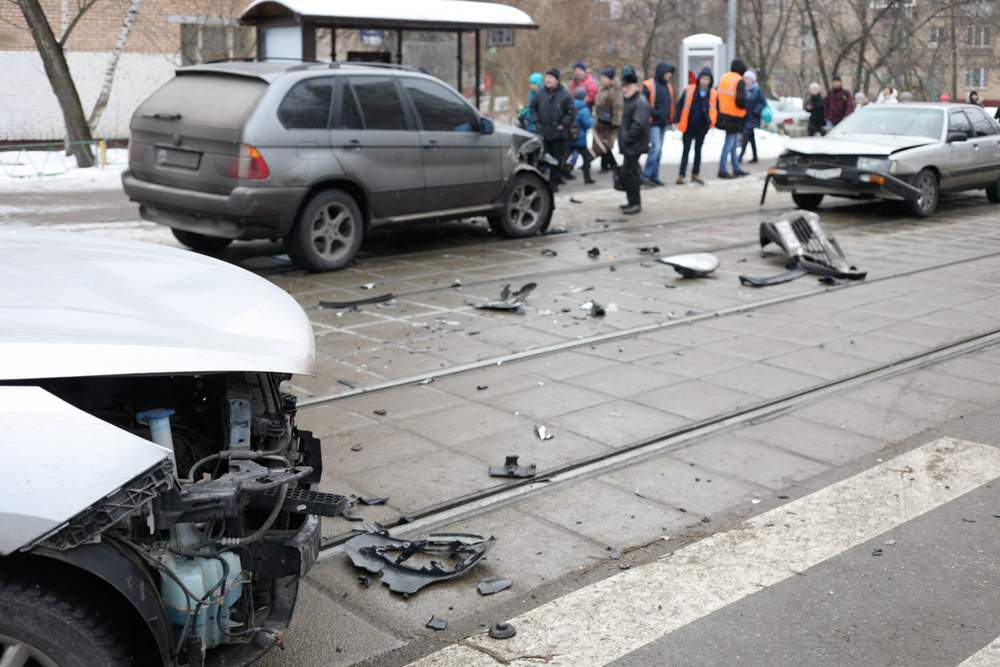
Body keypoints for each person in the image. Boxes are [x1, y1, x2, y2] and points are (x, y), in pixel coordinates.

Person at [530, 68, 575, 191]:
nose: (548, 80)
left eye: (551, 77)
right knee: (543, 158)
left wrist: (563, 125)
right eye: (546, 77)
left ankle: (554, 183)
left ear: (557, 80)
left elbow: (571, 112)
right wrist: (536, 122)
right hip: (543, 131)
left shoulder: (565, 94)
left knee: (557, 159)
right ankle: (543, 183)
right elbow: (532, 107)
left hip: (558, 133)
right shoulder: (540, 93)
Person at [675, 66, 717, 185]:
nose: (704, 81)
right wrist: (676, 119)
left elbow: (714, 109)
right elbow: (680, 105)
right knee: (686, 150)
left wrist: (710, 122)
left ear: (710, 81)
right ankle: (681, 175)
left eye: (707, 79)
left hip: (702, 127)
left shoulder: (712, 94)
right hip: (689, 125)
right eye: (703, 78)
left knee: (698, 151)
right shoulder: (690, 90)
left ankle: (695, 174)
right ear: (699, 79)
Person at [618, 66, 650, 215]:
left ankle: (635, 203)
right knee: (630, 173)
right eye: (623, 86)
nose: (624, 89)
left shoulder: (640, 101)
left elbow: (639, 125)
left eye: (627, 86)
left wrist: (627, 138)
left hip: (634, 144)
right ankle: (632, 201)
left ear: (635, 86)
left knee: (630, 174)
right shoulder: (630, 100)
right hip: (630, 144)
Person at [641, 62, 676, 186]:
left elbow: (670, 104)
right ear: (662, 72)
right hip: (653, 122)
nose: (670, 75)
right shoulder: (649, 85)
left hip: (663, 123)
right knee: (655, 148)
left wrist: (671, 119)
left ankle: (654, 176)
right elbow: (643, 104)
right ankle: (646, 175)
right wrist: (656, 113)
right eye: (668, 72)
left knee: (659, 150)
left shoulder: (668, 86)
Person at [717, 58, 748, 179]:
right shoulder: (739, 80)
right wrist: (746, 104)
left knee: (733, 143)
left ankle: (736, 167)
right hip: (734, 115)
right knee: (729, 143)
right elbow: (740, 101)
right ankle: (722, 169)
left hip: (723, 114)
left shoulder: (724, 77)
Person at [593, 67, 623, 173]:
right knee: (602, 143)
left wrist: (615, 122)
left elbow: (618, 106)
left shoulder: (614, 90)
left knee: (606, 144)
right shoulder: (602, 89)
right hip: (601, 121)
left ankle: (609, 165)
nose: (602, 79)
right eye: (602, 77)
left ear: (610, 79)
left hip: (609, 122)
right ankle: (609, 165)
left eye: (605, 77)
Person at [567, 87, 596, 184]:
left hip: (570, 137)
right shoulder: (584, 109)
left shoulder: (569, 107)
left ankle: (559, 175)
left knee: (564, 157)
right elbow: (588, 124)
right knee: (586, 159)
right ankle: (587, 178)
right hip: (580, 139)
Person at [740, 69, 766, 164]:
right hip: (745, 117)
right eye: (745, 78)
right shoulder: (744, 90)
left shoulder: (757, 90)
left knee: (745, 136)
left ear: (752, 80)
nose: (746, 80)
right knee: (751, 137)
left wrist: (756, 111)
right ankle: (755, 157)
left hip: (753, 117)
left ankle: (740, 157)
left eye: (748, 79)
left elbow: (763, 103)